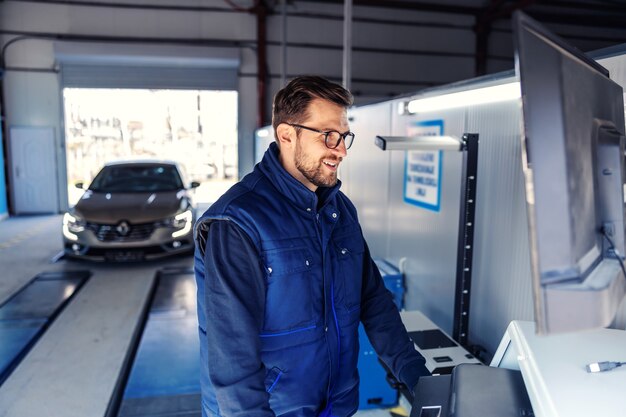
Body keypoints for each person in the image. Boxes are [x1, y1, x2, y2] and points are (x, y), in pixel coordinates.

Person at [194, 75, 429, 417]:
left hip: (335, 405)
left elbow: (374, 301)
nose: (342, 150)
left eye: (344, 136)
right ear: (287, 134)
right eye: (329, 136)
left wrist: (419, 379)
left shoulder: (340, 211)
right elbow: (231, 358)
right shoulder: (238, 222)